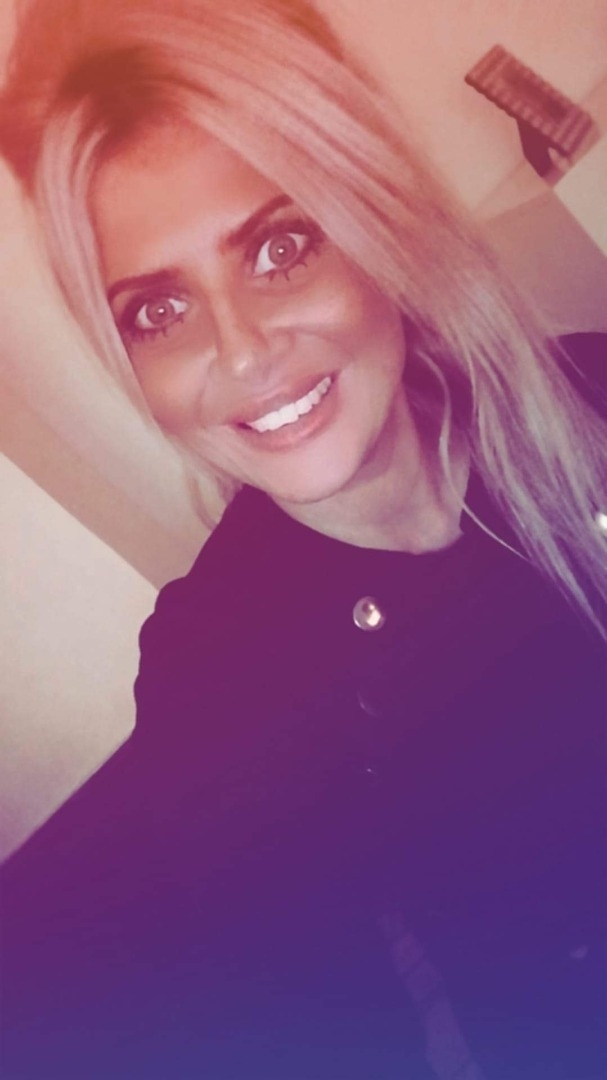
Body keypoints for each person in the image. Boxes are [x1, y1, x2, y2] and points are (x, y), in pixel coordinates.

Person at [1, 1, 605, 1077]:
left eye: (279, 248)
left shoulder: (588, 393)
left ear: (377, 222)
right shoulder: (216, 678)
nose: (241, 353)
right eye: (156, 311)